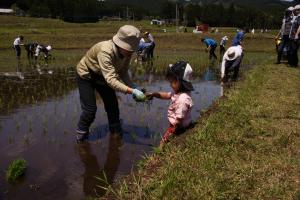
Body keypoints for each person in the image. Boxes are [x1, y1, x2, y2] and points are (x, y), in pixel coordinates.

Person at [76, 25, 146, 142]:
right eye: (129, 50)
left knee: (112, 105)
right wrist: (131, 91)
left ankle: (116, 133)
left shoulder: (126, 53)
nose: (131, 53)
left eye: (132, 50)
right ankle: (81, 136)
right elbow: (111, 80)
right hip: (86, 75)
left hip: (103, 76)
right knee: (90, 110)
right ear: (120, 44)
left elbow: (123, 72)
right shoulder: (105, 51)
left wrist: (133, 86)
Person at [146, 61, 194, 146]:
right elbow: (167, 95)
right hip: (178, 125)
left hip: (177, 127)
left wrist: (170, 135)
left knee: (163, 143)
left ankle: (159, 154)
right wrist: (154, 94)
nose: (170, 84)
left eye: (172, 81)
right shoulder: (178, 93)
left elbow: (178, 121)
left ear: (180, 82)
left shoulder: (182, 99)